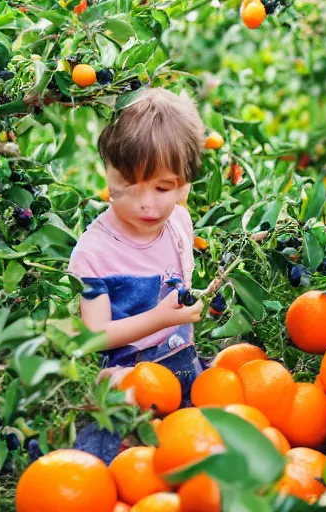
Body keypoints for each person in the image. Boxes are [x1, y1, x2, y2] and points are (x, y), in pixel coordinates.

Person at [68, 88, 207, 464]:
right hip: (126, 379)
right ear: (109, 172)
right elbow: (94, 336)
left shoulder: (179, 220)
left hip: (182, 359)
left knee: (206, 436)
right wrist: (159, 318)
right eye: (129, 185)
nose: (147, 202)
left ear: (183, 185)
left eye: (162, 187)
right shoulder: (94, 253)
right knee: (110, 450)